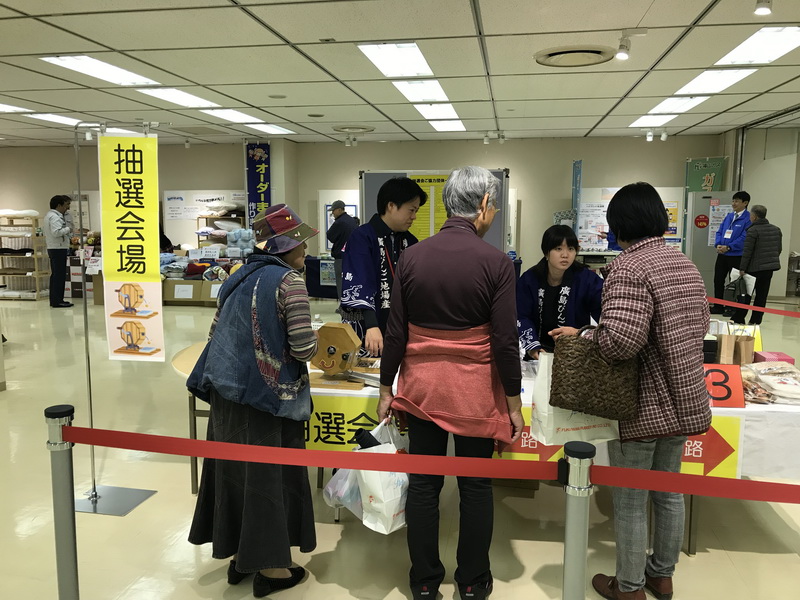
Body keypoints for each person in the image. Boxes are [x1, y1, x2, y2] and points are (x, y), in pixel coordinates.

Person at [552, 182, 711, 600]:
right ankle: (662, 575)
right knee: (669, 492)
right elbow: (701, 325)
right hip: (685, 396)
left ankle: (629, 586)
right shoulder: (684, 262)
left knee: (630, 499)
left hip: (644, 404)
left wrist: (585, 335)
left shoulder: (629, 268)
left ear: (620, 224)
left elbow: (621, 343)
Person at [378, 166, 524, 600]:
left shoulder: (412, 257)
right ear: (483, 205)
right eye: (494, 206)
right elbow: (504, 340)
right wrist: (514, 403)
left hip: (422, 391)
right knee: (476, 486)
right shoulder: (497, 263)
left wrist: (386, 389)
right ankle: (473, 582)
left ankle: (424, 582)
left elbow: (396, 332)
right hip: (474, 393)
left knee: (424, 485)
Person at [186, 204, 319, 599]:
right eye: (301, 242)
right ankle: (272, 569)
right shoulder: (290, 282)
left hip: (226, 394)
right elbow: (303, 348)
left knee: (232, 475)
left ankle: (239, 558)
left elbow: (215, 332)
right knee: (268, 479)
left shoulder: (236, 277)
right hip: (268, 398)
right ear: (286, 247)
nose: (306, 249)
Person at [341, 177, 427, 356]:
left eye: (416, 211)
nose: (414, 217)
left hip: (402, 328)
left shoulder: (410, 241)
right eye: (411, 210)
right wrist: (371, 325)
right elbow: (359, 283)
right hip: (370, 327)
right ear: (391, 206)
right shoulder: (362, 237)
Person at [516, 224, 603, 359]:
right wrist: (532, 346)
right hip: (538, 351)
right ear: (546, 252)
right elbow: (521, 315)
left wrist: (581, 333)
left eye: (571, 249)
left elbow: (604, 315)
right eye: (558, 249)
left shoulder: (587, 279)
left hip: (576, 352)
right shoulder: (530, 279)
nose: (565, 255)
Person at [737, 204, 782, 325]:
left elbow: (747, 252)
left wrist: (742, 268)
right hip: (769, 268)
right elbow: (778, 249)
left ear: (754, 216)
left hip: (753, 269)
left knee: (746, 295)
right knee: (762, 296)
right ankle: (756, 320)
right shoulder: (776, 229)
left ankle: (740, 318)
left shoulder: (753, 230)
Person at [711, 191, 751, 314]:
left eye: (737, 201)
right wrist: (718, 244)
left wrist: (729, 247)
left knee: (734, 282)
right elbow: (720, 231)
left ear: (745, 203)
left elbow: (744, 237)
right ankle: (718, 306)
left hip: (736, 255)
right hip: (722, 254)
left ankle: (732, 308)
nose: (734, 203)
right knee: (718, 280)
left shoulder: (748, 218)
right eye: (733, 201)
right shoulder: (729, 216)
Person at [325, 199, 358, 306]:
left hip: (341, 258)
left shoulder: (339, 222)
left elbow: (330, 236)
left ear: (339, 209)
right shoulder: (351, 221)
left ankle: (343, 305)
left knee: (341, 282)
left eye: (333, 210)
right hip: (352, 257)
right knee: (350, 281)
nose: (332, 213)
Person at [44, 194, 73, 308]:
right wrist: (68, 229)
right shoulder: (55, 217)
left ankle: (57, 300)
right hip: (58, 248)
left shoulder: (51, 215)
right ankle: (57, 301)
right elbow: (56, 232)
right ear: (59, 205)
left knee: (57, 275)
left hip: (55, 248)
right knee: (58, 276)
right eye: (66, 205)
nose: (67, 208)